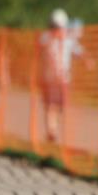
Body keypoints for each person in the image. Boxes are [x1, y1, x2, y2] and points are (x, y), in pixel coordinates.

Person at [39, 8, 83, 144]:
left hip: (64, 79)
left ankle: (54, 130)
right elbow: (42, 47)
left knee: (60, 107)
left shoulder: (68, 40)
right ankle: (51, 131)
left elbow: (79, 52)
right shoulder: (46, 38)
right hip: (49, 79)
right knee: (50, 106)